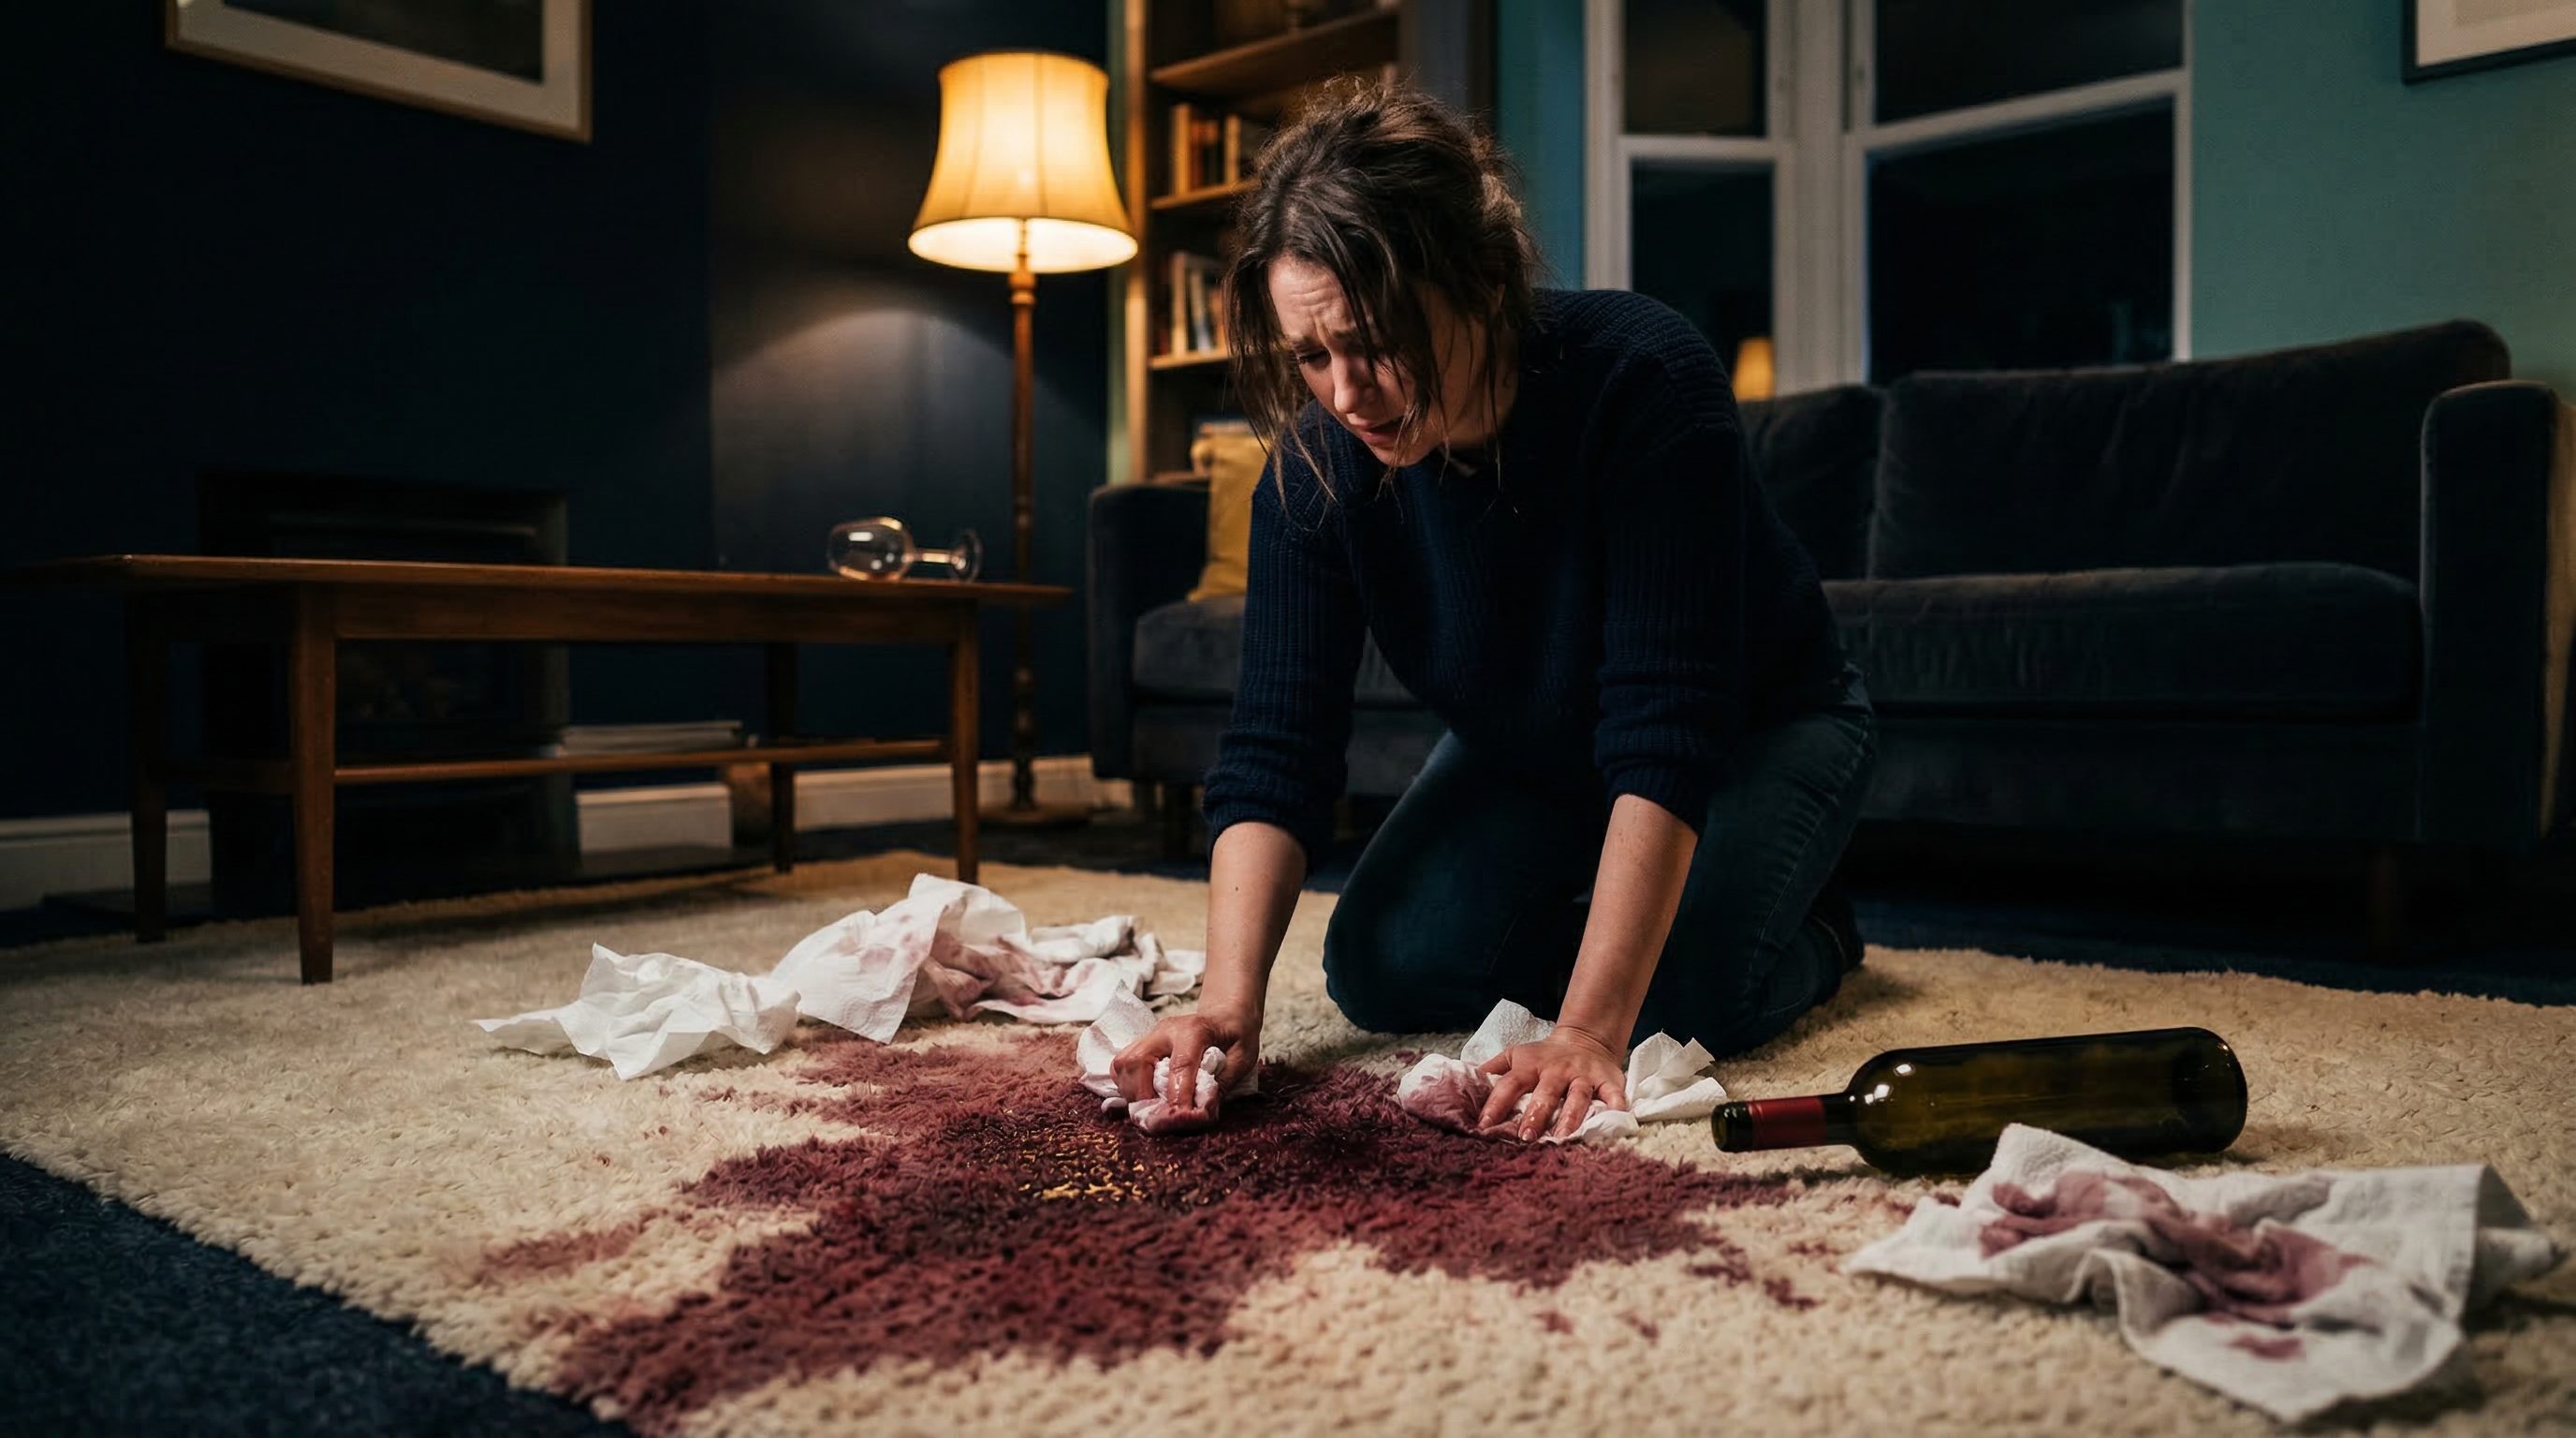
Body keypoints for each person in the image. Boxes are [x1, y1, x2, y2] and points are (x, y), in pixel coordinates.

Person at [1111, 79, 1877, 1142]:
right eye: (1311, 356)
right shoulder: (1315, 468)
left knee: (1662, 1011)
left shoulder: (1646, 377)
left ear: (1481, 280)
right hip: (1534, 745)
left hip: (1764, 727)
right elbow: (1275, 748)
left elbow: (1666, 729)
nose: (1346, 392)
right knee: (1377, 966)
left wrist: (1589, 1032)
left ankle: (1819, 928)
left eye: (1376, 341)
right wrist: (1225, 1010)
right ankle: (1668, 914)